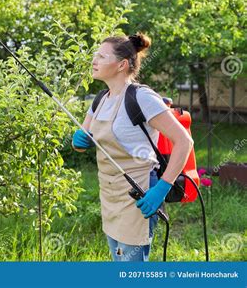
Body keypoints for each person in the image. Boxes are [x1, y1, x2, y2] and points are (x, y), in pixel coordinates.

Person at [72, 33, 193, 261]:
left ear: (121, 65)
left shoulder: (142, 98)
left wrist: (162, 188)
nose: (94, 60)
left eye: (101, 56)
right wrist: (78, 141)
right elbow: (83, 139)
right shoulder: (100, 100)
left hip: (141, 193)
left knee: (132, 266)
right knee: (118, 256)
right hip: (110, 194)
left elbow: (184, 142)